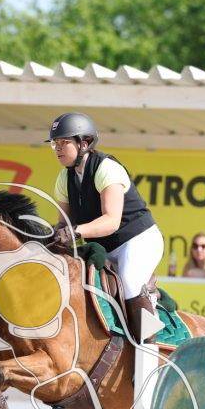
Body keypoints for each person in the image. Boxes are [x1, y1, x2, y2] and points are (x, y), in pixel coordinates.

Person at [47, 111, 163, 341]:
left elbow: (111, 221)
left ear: (85, 143)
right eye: (55, 143)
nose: (58, 148)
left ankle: (149, 349)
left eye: (64, 142)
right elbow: (64, 223)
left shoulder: (106, 168)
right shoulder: (64, 178)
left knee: (130, 283)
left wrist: (75, 231)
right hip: (105, 249)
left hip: (138, 241)